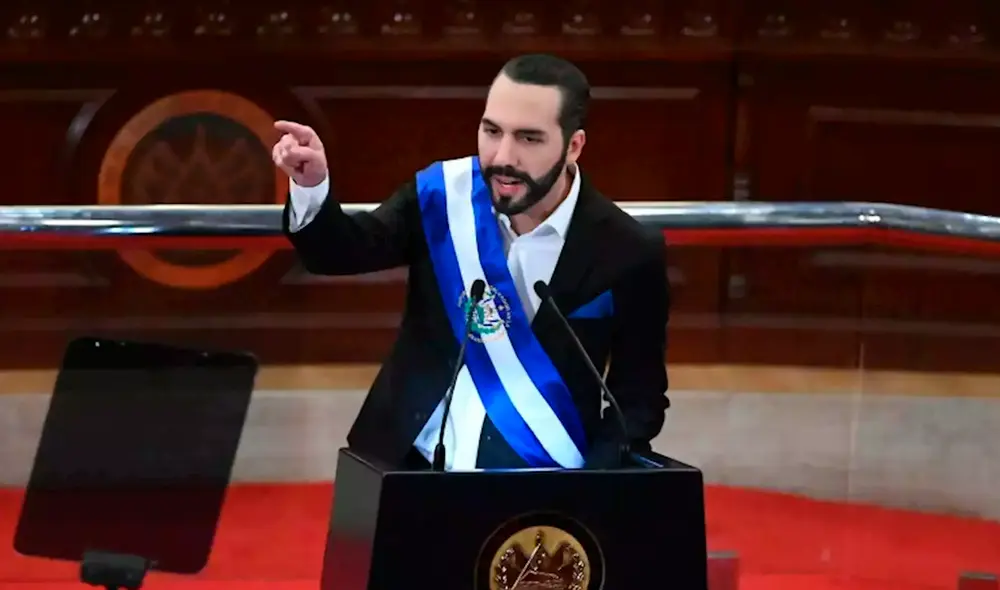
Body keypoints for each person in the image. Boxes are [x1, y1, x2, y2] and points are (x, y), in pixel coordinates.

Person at [272, 54, 670, 471]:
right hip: (411, 464)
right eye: (491, 131)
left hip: (544, 476)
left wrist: (591, 484)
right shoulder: (444, 197)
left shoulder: (627, 249)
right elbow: (337, 253)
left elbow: (639, 398)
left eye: (529, 139)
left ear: (573, 146)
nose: (503, 156)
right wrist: (310, 185)